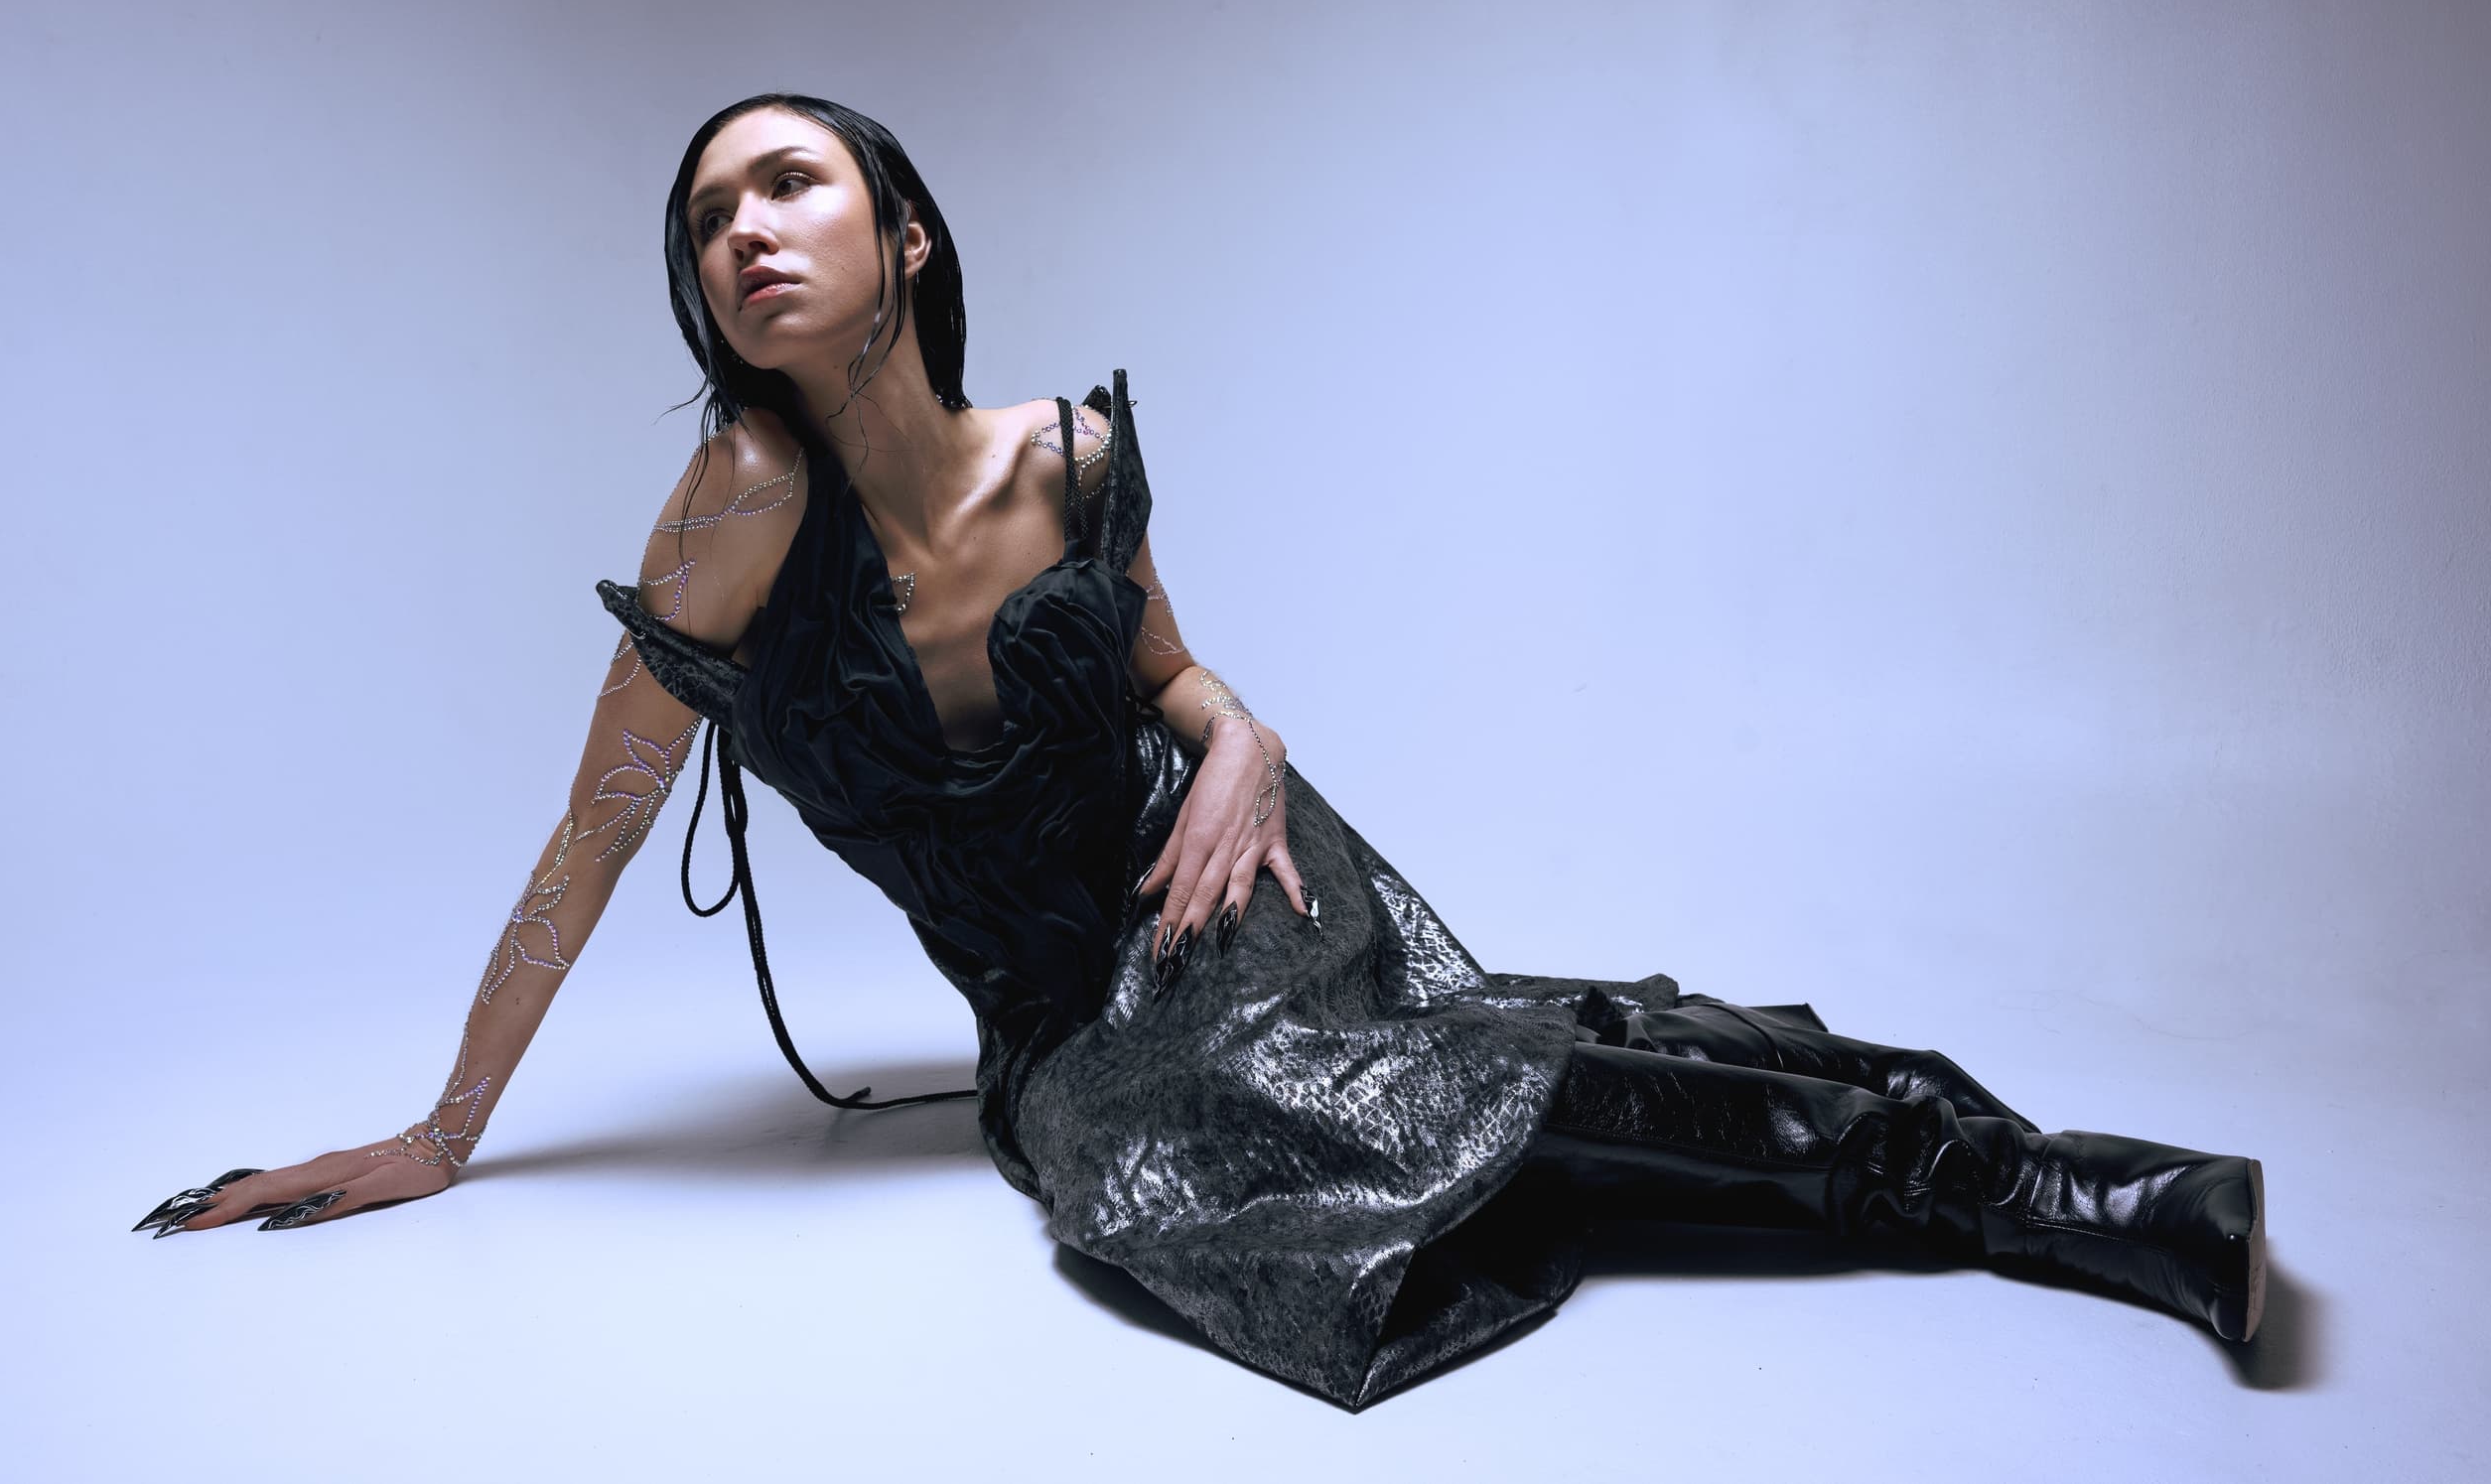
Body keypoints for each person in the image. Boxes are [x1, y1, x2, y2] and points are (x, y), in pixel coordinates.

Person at [133, 93, 2269, 1409]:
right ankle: (2035, 1174)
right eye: (707, 221)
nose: (741, 236)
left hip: (1227, 877)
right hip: (1067, 1019)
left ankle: (2082, 1196)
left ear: (905, 233)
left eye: (787, 186)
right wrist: (438, 1130)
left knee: (1479, 1072)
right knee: (1215, 1173)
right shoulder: (732, 506)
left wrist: (1244, 737)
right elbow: (586, 837)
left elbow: (1180, 684)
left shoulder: (1065, 454)